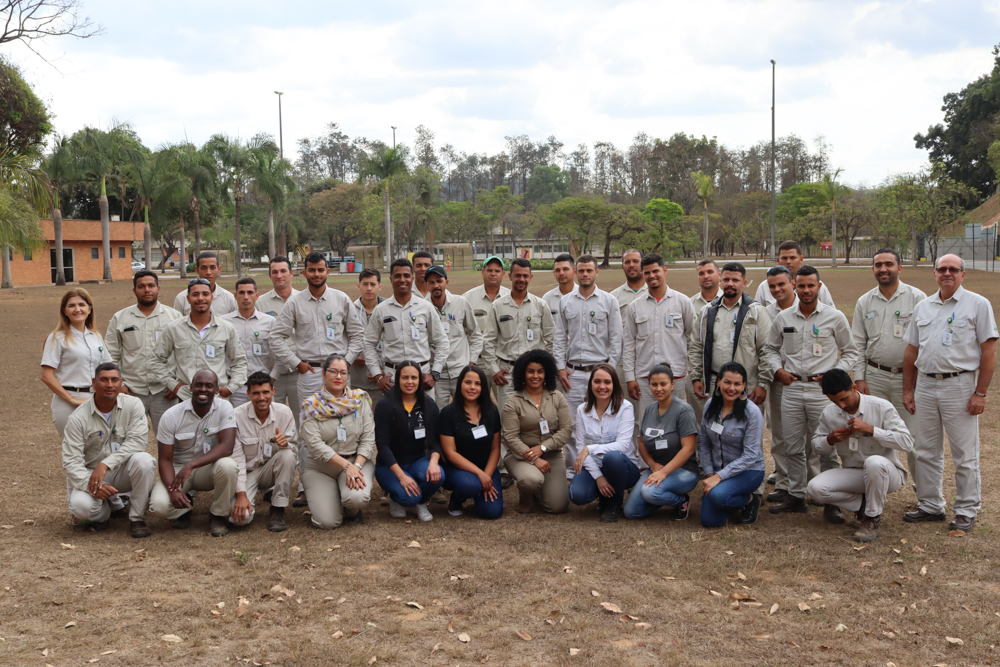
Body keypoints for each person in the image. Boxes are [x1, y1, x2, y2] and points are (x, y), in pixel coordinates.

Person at [902, 254, 997, 532]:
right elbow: (911, 350)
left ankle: (966, 509)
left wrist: (980, 393)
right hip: (926, 386)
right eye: (942, 269)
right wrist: (909, 389)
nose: (947, 273)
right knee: (926, 451)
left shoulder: (978, 304)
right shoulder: (923, 307)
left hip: (961, 385)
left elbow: (989, 350)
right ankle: (931, 505)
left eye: (953, 269)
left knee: (964, 453)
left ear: (963, 274)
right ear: (934, 273)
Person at [765, 266, 859, 520]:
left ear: (819, 286)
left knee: (828, 446)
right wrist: (778, 370)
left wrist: (834, 374)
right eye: (802, 285)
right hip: (792, 388)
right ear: (794, 286)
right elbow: (770, 349)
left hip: (823, 393)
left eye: (811, 285)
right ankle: (796, 495)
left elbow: (851, 351)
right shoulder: (783, 318)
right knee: (792, 446)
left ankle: (832, 501)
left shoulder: (834, 317)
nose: (806, 290)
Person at [808, 369, 913, 542]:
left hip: (888, 473)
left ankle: (872, 519)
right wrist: (830, 439)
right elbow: (817, 447)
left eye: (844, 399)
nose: (841, 406)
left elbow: (907, 442)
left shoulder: (881, 406)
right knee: (815, 489)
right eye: (834, 401)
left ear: (854, 388)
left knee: (874, 463)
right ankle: (862, 505)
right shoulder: (828, 413)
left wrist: (871, 430)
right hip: (855, 474)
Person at [851, 248, 926, 481]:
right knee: (871, 436)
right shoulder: (865, 301)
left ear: (899, 268)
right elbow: (857, 344)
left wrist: (913, 382)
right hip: (875, 377)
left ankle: (925, 498)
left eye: (888, 264)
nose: (883, 269)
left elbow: (925, 343)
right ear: (873, 269)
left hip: (909, 379)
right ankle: (872, 489)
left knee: (914, 440)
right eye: (878, 265)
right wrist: (860, 378)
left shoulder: (917, 298)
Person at [61, 362, 156, 538]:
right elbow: (71, 461)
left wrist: (105, 464)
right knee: (82, 508)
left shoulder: (133, 404)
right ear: (94, 383)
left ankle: (137, 519)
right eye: (104, 380)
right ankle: (105, 512)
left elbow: (138, 442)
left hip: (122, 469)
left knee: (145, 461)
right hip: (92, 476)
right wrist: (91, 486)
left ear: (121, 383)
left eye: (114, 380)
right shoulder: (77, 418)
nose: (110, 385)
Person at [554, 255, 623, 476]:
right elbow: (559, 338)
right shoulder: (565, 301)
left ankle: (602, 466)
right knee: (573, 425)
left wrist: (609, 371)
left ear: (596, 273)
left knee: (602, 422)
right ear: (576, 272)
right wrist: (560, 367)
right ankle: (575, 471)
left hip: (599, 372)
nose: (585, 274)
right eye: (581, 271)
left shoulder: (609, 301)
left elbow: (616, 338)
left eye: (589, 271)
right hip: (573, 373)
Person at [149, 370, 240, 537]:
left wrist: (192, 465)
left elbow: (227, 447)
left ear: (217, 390)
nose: (203, 389)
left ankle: (218, 515)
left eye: (209, 386)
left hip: (207, 468)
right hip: (178, 471)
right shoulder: (171, 415)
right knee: (159, 506)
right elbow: (165, 459)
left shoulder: (225, 407)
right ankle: (185, 508)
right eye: (198, 385)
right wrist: (173, 491)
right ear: (190, 388)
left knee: (228, 465)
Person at [271, 251, 364, 403]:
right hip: (310, 374)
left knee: (340, 418)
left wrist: (346, 362)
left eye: (320, 270)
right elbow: (275, 337)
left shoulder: (342, 299)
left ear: (327, 272)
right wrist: (296, 363)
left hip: (338, 372)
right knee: (309, 421)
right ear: (304, 273)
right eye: (311, 270)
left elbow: (358, 334)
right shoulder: (295, 303)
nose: (316, 274)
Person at [299, 355, 377, 529]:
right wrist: (345, 467)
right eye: (333, 372)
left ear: (348, 375)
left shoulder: (360, 400)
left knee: (356, 499)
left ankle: (351, 509)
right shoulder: (310, 406)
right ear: (324, 373)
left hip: (356, 461)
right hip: (321, 468)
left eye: (343, 372)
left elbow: (368, 438)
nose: (338, 377)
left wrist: (355, 466)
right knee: (327, 522)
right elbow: (315, 446)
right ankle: (330, 498)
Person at [106, 270, 182, 433]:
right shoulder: (120, 318)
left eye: (151, 285)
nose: (147, 290)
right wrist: (121, 384)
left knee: (169, 440)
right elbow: (110, 355)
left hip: (164, 392)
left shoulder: (174, 317)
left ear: (158, 289)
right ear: (134, 290)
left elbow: (183, 354)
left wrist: (175, 384)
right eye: (141, 286)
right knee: (127, 439)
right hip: (131, 392)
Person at [363, 259, 449, 401]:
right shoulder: (381, 310)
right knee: (395, 421)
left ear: (412, 278)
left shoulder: (425, 307)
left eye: (406, 276)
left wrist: (435, 373)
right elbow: (368, 344)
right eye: (397, 276)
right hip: (393, 379)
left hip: (422, 377)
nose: (402, 280)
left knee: (425, 420)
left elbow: (442, 342)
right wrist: (378, 376)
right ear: (391, 279)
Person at [623, 364, 700, 521]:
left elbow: (688, 449)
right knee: (632, 513)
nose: (659, 388)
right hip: (657, 468)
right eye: (654, 384)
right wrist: (651, 464)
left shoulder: (683, 411)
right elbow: (643, 443)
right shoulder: (650, 409)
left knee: (650, 492)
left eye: (663, 384)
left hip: (684, 471)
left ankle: (681, 501)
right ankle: (661, 496)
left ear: (672, 384)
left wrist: (663, 473)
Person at [151, 278, 248, 402]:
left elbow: (239, 362)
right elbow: (156, 360)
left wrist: (231, 387)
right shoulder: (174, 328)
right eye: (195, 294)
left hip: (217, 398)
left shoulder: (226, 328)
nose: (200, 298)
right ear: (188, 299)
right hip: (186, 398)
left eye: (205, 294)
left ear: (211, 298)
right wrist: (173, 385)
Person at [689, 262, 771, 406]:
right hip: (715, 383)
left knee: (743, 426)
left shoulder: (756, 312)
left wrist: (763, 384)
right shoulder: (707, 311)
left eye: (735, 280)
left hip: (745, 386)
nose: (730, 284)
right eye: (726, 280)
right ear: (720, 281)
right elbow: (696, 347)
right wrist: (696, 379)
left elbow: (766, 350)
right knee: (714, 426)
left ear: (744, 283)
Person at [501, 349, 572, 514]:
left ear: (546, 373)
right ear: (522, 374)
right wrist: (533, 458)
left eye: (540, 371)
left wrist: (543, 448)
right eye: (530, 371)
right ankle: (526, 497)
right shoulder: (513, 402)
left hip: (551, 455)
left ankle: (540, 490)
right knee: (531, 480)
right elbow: (510, 437)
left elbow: (566, 429)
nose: (536, 376)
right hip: (520, 456)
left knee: (557, 507)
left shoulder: (557, 397)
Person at [697, 362, 767, 527]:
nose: (732, 388)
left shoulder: (752, 413)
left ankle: (750, 500)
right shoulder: (710, 405)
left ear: (744, 385)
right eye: (727, 382)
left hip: (748, 471)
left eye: (737, 384)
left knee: (718, 496)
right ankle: (727, 497)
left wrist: (719, 477)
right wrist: (709, 474)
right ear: (719, 382)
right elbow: (703, 442)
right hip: (717, 472)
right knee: (710, 522)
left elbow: (750, 456)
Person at [622, 253, 694, 414]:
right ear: (642, 274)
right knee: (647, 424)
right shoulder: (634, 306)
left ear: (665, 271)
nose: (652, 276)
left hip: (675, 376)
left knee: (674, 423)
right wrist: (630, 377)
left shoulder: (682, 302)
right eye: (647, 272)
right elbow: (629, 344)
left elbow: (693, 340)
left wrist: (692, 373)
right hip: (644, 378)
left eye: (656, 271)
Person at [373, 360, 444, 521]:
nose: (410, 382)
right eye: (405, 377)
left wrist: (433, 462)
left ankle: (421, 502)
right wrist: (401, 476)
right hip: (389, 466)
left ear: (420, 379)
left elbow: (435, 441)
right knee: (408, 497)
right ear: (397, 379)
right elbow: (382, 445)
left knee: (440, 475)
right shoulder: (384, 405)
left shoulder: (429, 405)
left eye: (414, 377)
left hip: (418, 461)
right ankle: (395, 498)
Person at [567, 363, 639, 522]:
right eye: (597, 381)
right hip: (595, 466)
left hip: (623, 467)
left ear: (614, 384)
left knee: (612, 457)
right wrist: (599, 477)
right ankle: (604, 494)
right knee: (577, 495)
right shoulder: (582, 410)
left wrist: (590, 449)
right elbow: (580, 446)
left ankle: (615, 503)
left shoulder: (625, 407)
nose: (602, 386)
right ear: (590, 384)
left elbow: (622, 445)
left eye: (607, 382)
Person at [482, 257, 554, 411]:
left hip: (534, 374)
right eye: (518, 275)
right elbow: (488, 341)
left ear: (530, 277)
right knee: (507, 420)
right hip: (508, 374)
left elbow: (552, 339)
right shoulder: (498, 306)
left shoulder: (540, 305)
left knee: (535, 417)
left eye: (525, 276)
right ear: (510, 276)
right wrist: (494, 370)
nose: (521, 279)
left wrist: (546, 369)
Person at [230, 371, 298, 532]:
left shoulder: (284, 413)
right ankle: (241, 498)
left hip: (270, 470)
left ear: (273, 391)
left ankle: (277, 509)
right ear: (248, 394)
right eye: (256, 393)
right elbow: (236, 458)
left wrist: (285, 444)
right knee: (239, 519)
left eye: (266, 392)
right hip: (246, 472)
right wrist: (241, 494)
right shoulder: (236, 416)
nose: (261, 398)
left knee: (287, 454)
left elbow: (294, 453)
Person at [41, 288, 112, 437]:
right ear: (65, 311)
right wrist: (71, 400)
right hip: (67, 403)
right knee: (73, 453)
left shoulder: (96, 336)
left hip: (95, 400)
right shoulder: (57, 338)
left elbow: (108, 368)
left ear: (89, 308)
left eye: (82, 304)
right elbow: (46, 376)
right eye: (71, 305)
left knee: (97, 450)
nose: (77, 309)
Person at [439, 365, 503, 519]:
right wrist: (479, 475)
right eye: (468, 382)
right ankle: (456, 500)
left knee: (492, 512)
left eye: (478, 383)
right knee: (470, 484)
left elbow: (495, 448)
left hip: (485, 468)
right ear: (460, 383)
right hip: (457, 470)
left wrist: (486, 476)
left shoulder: (492, 411)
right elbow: (450, 452)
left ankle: (477, 491)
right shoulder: (448, 413)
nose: (472, 387)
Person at [762, 266, 797, 495]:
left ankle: (809, 482)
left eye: (781, 284)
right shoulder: (765, 312)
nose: (776, 289)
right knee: (779, 434)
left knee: (807, 435)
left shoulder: (806, 306)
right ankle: (784, 483)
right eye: (772, 286)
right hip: (776, 381)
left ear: (792, 283)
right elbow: (764, 350)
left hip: (805, 382)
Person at [426, 265, 483, 408]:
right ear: (426, 285)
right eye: (431, 282)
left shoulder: (460, 303)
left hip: (461, 373)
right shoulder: (422, 307)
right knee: (438, 416)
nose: (436, 285)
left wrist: (471, 363)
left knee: (466, 412)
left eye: (439, 281)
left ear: (446, 282)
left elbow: (475, 334)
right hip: (437, 376)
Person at [256, 256, 301, 423]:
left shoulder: (302, 299)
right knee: (272, 418)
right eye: (274, 272)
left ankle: (300, 450)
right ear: (269, 275)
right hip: (274, 374)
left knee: (302, 418)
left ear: (291, 273)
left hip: (300, 371)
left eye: (283, 271)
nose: (279, 275)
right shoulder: (260, 303)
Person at [221, 277, 277, 407]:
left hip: (261, 387)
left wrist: (271, 378)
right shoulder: (223, 323)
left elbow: (279, 354)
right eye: (241, 293)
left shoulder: (269, 322)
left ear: (257, 295)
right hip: (235, 388)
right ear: (235, 295)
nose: (246, 297)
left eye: (250, 293)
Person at [463, 255, 511, 400]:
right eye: (489, 270)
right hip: (478, 362)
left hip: (501, 362)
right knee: (475, 405)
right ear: (482, 272)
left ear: (503, 274)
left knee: (506, 407)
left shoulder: (511, 298)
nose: (493, 274)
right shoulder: (467, 298)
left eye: (497, 271)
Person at [687, 259, 723, 422]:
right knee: (700, 423)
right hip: (698, 376)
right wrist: (695, 377)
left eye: (710, 272)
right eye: (701, 273)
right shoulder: (689, 304)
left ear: (719, 275)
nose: (706, 276)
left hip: (724, 375)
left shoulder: (732, 301)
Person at [754, 241, 834, 308]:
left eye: (792, 258)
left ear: (801, 259)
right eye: (784, 258)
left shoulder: (815, 285)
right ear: (778, 260)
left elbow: (831, 314)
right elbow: (757, 314)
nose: (788, 261)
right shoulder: (765, 286)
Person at [351, 268, 386, 404]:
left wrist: (382, 372)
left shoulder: (388, 309)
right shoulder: (349, 309)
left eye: (373, 284)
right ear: (358, 286)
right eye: (365, 284)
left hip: (382, 382)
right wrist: (353, 358)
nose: (369, 288)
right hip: (356, 381)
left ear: (380, 286)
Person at [172, 251, 237, 316]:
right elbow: (177, 323)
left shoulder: (229, 298)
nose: (208, 272)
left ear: (219, 269)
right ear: (197, 270)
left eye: (212, 268)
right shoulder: (182, 298)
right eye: (203, 268)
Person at [609, 248, 648, 317]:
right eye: (627, 262)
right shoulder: (613, 297)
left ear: (643, 265)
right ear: (623, 267)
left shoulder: (654, 293)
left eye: (635, 261)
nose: (631, 265)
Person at [542, 253, 576, 319]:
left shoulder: (582, 296)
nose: (561, 273)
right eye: (557, 270)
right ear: (554, 273)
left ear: (574, 271)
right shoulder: (547, 299)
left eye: (565, 269)